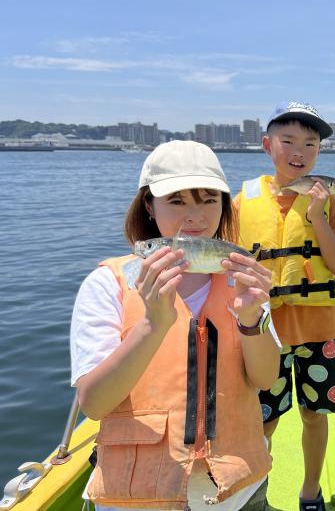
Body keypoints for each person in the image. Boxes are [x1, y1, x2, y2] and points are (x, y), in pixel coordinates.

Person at [70, 140, 280, 511]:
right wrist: (152, 325)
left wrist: (251, 319)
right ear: (149, 206)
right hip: (138, 498)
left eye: (209, 200)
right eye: (177, 201)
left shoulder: (241, 278)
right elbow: (95, 403)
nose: (195, 216)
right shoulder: (108, 284)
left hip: (238, 492)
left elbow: (265, 379)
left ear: (224, 205)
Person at [234, 102, 335, 511]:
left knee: (314, 415)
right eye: (288, 141)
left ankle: (310, 490)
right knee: (263, 419)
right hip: (264, 332)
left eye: (310, 143)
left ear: (319, 151)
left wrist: (318, 215)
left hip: (319, 329)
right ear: (267, 145)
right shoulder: (242, 202)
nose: (299, 151)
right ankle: (254, 495)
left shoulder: (331, 203)